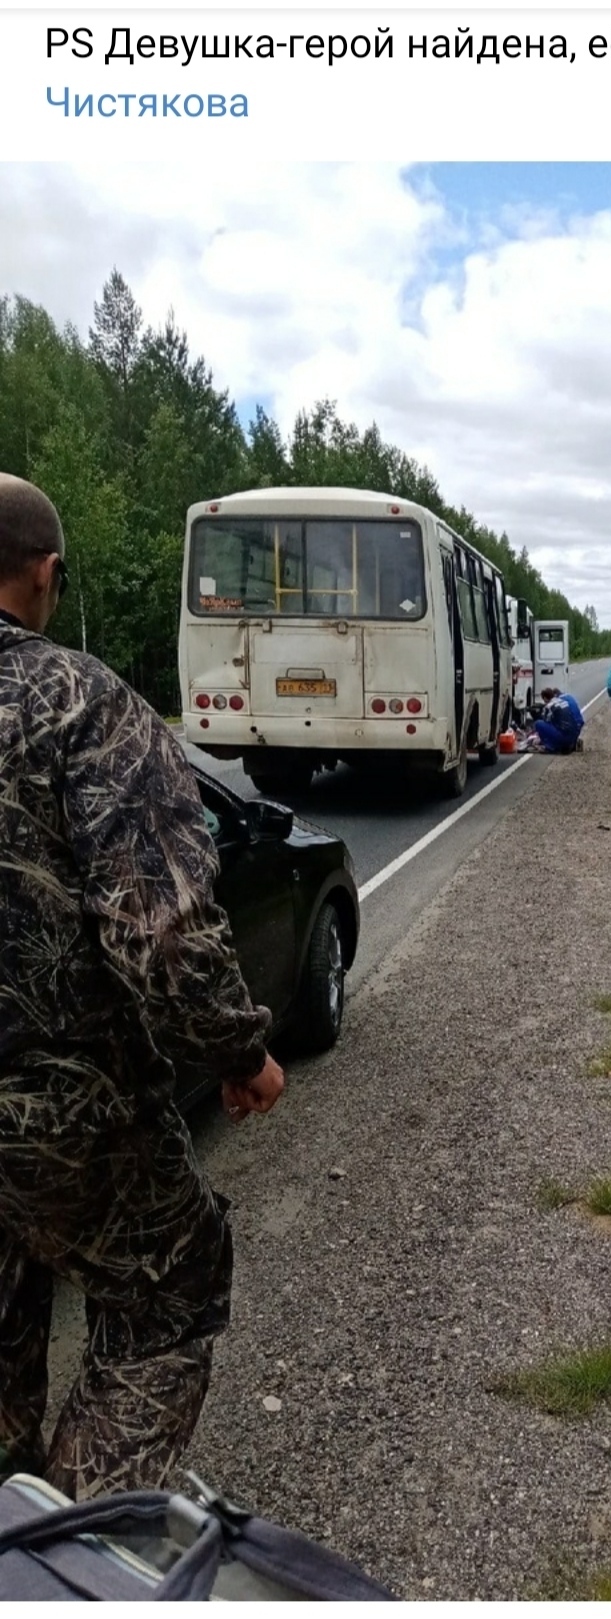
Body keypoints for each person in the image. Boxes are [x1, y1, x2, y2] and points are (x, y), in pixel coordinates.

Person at [0, 473, 284, 1501]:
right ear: (44, 573)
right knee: (170, 1288)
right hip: (62, 1107)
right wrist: (240, 1052)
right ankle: (64, 1547)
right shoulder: (76, 699)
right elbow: (160, 933)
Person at [533, 687, 585, 754]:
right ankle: (571, 743)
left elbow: (546, 721)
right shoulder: (564, 701)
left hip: (564, 736)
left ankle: (550, 747)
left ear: (545, 698)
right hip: (575, 732)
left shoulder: (549, 706)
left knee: (538, 724)